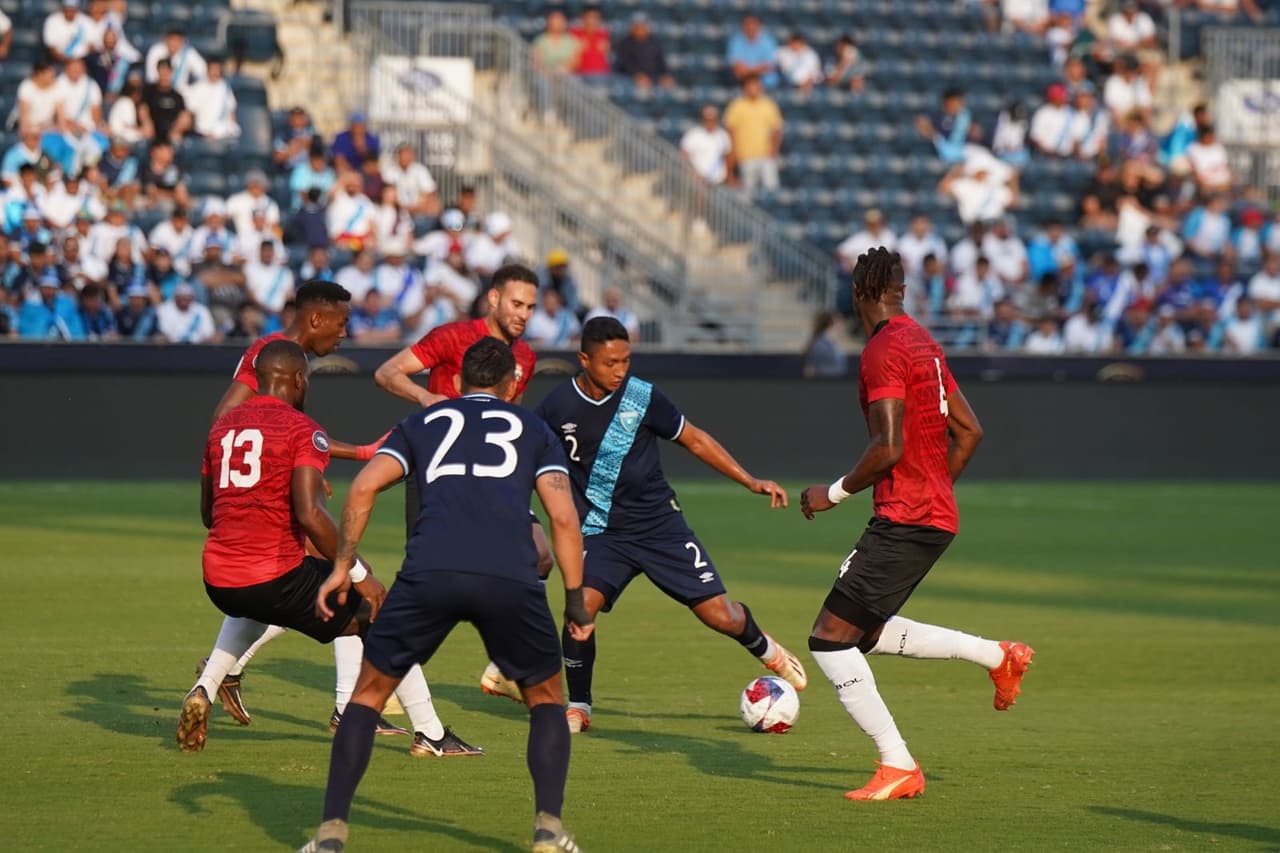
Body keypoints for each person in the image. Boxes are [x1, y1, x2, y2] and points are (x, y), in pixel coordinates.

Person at [297, 339, 591, 853]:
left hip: (431, 569)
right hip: (509, 575)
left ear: (456, 384)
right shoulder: (534, 429)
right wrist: (574, 598)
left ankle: (329, 836)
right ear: (510, 388)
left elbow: (363, 488)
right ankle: (548, 829)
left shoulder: (422, 424)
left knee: (367, 696)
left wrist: (343, 565)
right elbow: (562, 518)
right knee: (545, 700)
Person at [193, 285, 475, 751]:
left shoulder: (285, 373)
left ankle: (227, 678)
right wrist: (285, 475)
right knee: (345, 589)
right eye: (342, 322)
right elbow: (230, 419)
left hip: (234, 533)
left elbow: (270, 434)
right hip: (260, 507)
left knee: (298, 589)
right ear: (317, 320)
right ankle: (421, 728)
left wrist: (340, 456)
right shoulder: (272, 353)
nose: (347, 332)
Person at [798, 247, 1034, 801]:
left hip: (906, 518)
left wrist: (829, 494)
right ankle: (998, 657)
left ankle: (897, 763)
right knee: (865, 632)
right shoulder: (925, 343)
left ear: (859, 292)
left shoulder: (882, 352)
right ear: (900, 290)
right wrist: (935, 491)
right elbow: (970, 431)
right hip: (932, 515)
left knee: (829, 640)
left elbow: (886, 446)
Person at [539, 317, 806, 734]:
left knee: (721, 617)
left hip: (660, 525)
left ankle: (764, 646)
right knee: (580, 611)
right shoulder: (556, 408)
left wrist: (750, 480)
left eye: (626, 360)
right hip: (602, 533)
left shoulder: (642, 396)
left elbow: (695, 439)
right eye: (611, 363)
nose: (620, 370)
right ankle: (579, 704)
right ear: (584, 360)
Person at [372, 265, 551, 703]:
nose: (524, 313)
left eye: (530, 306)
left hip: (493, 479)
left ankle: (504, 667)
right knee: (421, 573)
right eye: (516, 303)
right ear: (493, 299)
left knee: (541, 554)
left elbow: (512, 417)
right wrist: (426, 397)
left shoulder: (524, 357)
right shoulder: (452, 337)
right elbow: (388, 372)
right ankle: (382, 674)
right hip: (441, 473)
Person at [723, 75, 784, 196]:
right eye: (752, 85)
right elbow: (730, 130)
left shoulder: (768, 104)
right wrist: (734, 152)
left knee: (771, 191)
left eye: (757, 85)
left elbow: (777, 130)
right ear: (745, 88)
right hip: (746, 156)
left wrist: (774, 150)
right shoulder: (737, 106)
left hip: (766, 156)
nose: (755, 88)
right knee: (748, 194)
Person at [612, 12, 672, 89]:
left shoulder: (655, 42)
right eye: (637, 26)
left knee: (667, 84)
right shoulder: (624, 44)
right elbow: (626, 64)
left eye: (642, 26)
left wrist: (665, 75)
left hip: (652, 77)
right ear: (632, 27)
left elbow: (661, 62)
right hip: (629, 78)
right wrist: (637, 75)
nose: (640, 29)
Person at [680, 105, 735, 187]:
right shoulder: (693, 134)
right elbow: (684, 156)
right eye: (707, 120)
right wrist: (692, 174)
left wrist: (728, 175)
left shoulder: (723, 135)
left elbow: (728, 156)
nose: (710, 122)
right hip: (697, 180)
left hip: (718, 180)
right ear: (702, 119)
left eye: (713, 120)